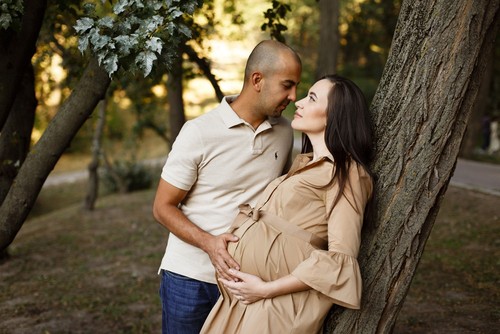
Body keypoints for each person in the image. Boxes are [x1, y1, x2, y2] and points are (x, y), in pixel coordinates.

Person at [201, 74, 374, 334]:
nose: (299, 102)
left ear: (337, 114)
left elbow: (340, 258)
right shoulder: (304, 164)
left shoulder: (346, 173)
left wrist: (264, 290)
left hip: (276, 305)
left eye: (312, 98)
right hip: (242, 301)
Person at [152, 40, 302, 334]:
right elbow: (162, 207)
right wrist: (209, 243)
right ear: (257, 79)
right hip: (190, 279)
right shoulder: (198, 132)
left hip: (248, 283)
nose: (293, 96)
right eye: (287, 85)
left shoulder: (284, 131)